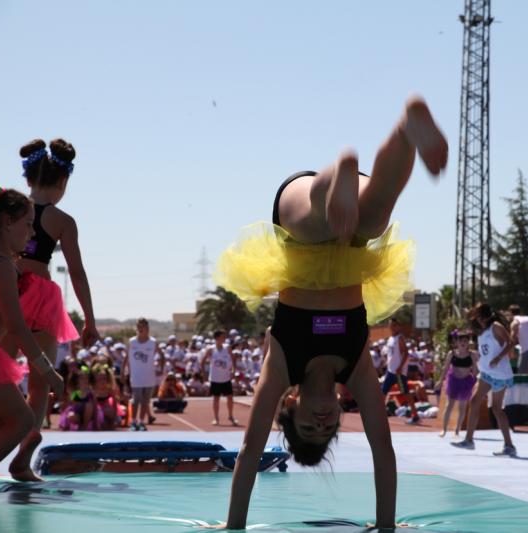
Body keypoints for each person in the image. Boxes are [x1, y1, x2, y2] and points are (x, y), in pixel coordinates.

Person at [207, 96, 447, 530]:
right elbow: (382, 447)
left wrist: (233, 526)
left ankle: (338, 172)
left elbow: (248, 450)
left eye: (309, 427)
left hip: (302, 219)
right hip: (349, 234)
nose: (321, 422)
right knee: (374, 219)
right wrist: (387, 526)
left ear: (292, 406)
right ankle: (408, 129)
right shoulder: (355, 369)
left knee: (317, 223)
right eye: (327, 428)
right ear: (339, 412)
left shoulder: (280, 367)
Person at [0, 140, 98, 480]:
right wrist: (91, 320)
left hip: (6, 292)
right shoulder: (61, 219)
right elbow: (78, 272)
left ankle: (0, 435)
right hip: (40, 298)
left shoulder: (6, 208)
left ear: (28, 179)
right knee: (41, 382)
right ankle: (22, 456)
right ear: (63, 183)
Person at [0, 183, 64, 487]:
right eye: (28, 224)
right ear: (6, 223)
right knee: (23, 420)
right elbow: (16, 327)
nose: (32, 232)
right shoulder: (1, 267)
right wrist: (47, 370)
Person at [451, 303, 518, 456]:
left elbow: (510, 343)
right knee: (475, 401)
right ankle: (469, 440)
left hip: (499, 373)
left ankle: (509, 445)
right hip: (487, 372)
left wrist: (498, 357)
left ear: (485, 316)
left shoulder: (495, 326)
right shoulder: (483, 331)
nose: (478, 320)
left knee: (496, 409)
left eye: (479, 317)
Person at [122, 317, 164, 431]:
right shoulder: (132, 342)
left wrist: (161, 368)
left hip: (149, 376)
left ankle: (141, 421)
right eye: (138, 326)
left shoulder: (153, 342)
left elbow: (162, 355)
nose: (140, 329)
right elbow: (126, 357)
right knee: (136, 400)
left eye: (142, 326)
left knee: (145, 401)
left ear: (147, 328)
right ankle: (133, 421)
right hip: (136, 376)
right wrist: (122, 371)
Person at [436, 329, 478, 438]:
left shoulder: (472, 355)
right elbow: (445, 368)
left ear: (468, 342)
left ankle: (457, 430)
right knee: (449, 405)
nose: (463, 343)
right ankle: (444, 429)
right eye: (461, 341)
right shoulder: (452, 353)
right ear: (456, 342)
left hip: (466, 382)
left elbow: (476, 370)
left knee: (462, 407)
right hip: (453, 380)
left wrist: (478, 381)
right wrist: (440, 381)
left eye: (465, 340)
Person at [381, 318, 420, 424]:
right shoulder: (390, 339)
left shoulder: (400, 338)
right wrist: (387, 362)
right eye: (390, 325)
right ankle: (379, 415)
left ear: (398, 326)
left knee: (406, 393)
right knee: (382, 392)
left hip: (398, 373)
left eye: (394, 325)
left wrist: (400, 367)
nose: (392, 327)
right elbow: (391, 354)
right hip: (390, 371)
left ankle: (415, 415)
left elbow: (406, 354)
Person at [201, 330, 240, 426]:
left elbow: (233, 359)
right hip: (215, 379)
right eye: (223, 337)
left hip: (226, 378)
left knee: (230, 398)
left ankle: (231, 416)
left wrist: (233, 370)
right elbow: (202, 362)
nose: (224, 338)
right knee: (216, 399)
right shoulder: (211, 349)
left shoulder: (227, 348)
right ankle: (216, 418)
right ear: (217, 338)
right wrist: (204, 375)